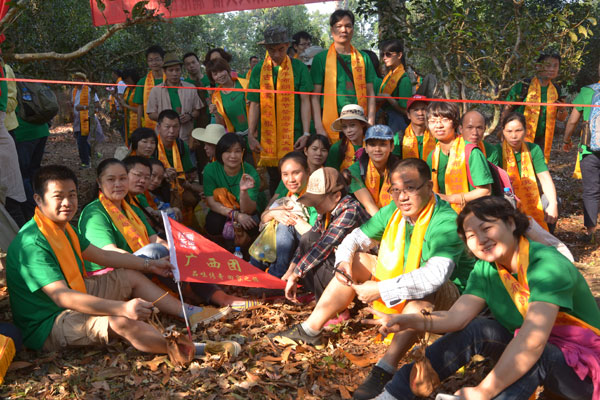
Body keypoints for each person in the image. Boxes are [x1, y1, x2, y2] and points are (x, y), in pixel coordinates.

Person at [366, 196, 599, 400]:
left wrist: (483, 392)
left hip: (585, 371)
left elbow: (533, 342)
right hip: (540, 352)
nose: (480, 240)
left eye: (487, 228)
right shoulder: (487, 269)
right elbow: (456, 318)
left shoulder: (546, 264)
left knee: (536, 354)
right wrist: (410, 321)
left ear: (511, 223)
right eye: (471, 235)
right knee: (478, 328)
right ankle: (392, 394)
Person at [6, 165, 241, 355]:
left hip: (77, 289)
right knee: (121, 321)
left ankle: (190, 313)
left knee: (129, 276)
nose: (67, 203)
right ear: (38, 200)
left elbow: (103, 256)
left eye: (72, 195)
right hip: (49, 321)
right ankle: (193, 350)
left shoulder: (63, 227)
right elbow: (62, 297)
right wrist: (122, 308)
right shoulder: (32, 243)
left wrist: (149, 265)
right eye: (58, 197)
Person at [278, 167, 370, 302]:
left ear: (337, 196)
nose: (314, 205)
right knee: (308, 239)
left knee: (317, 252)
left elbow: (325, 245)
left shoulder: (350, 209)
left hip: (360, 270)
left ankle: (334, 305)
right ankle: (317, 294)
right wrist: (292, 270)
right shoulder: (326, 210)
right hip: (342, 266)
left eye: (318, 200)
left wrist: (296, 274)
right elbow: (309, 238)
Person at [247, 26, 314, 195]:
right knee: (274, 179)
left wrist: (306, 133)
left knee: (296, 177)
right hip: (267, 138)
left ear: (287, 46)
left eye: (281, 49)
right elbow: (254, 103)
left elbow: (305, 101)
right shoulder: (258, 70)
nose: (276, 54)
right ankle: (276, 209)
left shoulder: (298, 68)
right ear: (265, 48)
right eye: (271, 50)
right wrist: (251, 134)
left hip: (294, 135)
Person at [311, 10, 378, 143]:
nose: (344, 30)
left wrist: (370, 122)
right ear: (332, 30)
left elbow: (370, 93)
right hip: (330, 120)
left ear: (353, 29)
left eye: (348, 26)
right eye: (339, 26)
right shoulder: (321, 59)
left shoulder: (363, 58)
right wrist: (319, 127)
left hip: (359, 120)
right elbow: (315, 97)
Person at [250, 152, 317, 278]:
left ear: (308, 171)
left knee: (284, 226)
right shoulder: (288, 192)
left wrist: (290, 217)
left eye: (296, 173)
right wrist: (274, 213)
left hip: (305, 247)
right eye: (285, 174)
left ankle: (277, 274)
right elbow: (264, 217)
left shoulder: (314, 196)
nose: (290, 179)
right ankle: (254, 270)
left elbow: (314, 234)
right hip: (278, 248)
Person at [426, 102, 492, 213]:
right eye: (432, 121)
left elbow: (485, 191)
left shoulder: (471, 152)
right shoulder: (432, 156)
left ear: (455, 123)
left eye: (444, 120)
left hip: (472, 215)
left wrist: (450, 198)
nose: (438, 126)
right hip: (443, 215)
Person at [503, 53, 567, 163]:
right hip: (518, 136)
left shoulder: (556, 90)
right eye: (548, 65)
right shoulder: (524, 85)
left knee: (538, 166)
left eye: (555, 66)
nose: (552, 69)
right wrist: (503, 130)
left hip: (542, 139)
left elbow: (561, 118)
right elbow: (507, 108)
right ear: (538, 66)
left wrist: (562, 109)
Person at [501, 112, 558, 232]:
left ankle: (546, 237)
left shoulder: (533, 149)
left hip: (530, 198)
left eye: (518, 130)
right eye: (509, 131)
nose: (514, 136)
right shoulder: (496, 151)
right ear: (503, 132)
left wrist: (553, 204)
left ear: (526, 131)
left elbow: (545, 178)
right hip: (507, 199)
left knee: (550, 200)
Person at [563, 63, 600, 243]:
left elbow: (572, 121)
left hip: (589, 150)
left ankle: (590, 233)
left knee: (591, 190)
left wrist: (566, 140)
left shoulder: (587, 91)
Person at [203, 133, 264, 240]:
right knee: (213, 223)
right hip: (223, 209)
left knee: (252, 224)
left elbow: (248, 210)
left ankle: (244, 249)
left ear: (243, 153)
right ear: (220, 153)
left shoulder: (250, 172)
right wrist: (236, 215)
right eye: (228, 151)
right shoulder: (210, 170)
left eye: (237, 151)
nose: (233, 156)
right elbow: (212, 203)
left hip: (245, 210)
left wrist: (243, 191)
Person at [146, 53, 203, 143]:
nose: (175, 73)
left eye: (177, 70)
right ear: (164, 71)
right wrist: (166, 119)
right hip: (164, 137)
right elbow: (151, 114)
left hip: (186, 136)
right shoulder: (156, 90)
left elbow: (197, 111)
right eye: (171, 70)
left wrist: (190, 116)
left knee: (186, 151)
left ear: (181, 70)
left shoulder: (190, 88)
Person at [153, 110, 200, 217]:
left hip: (178, 186)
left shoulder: (181, 146)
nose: (171, 131)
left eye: (175, 127)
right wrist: (163, 174)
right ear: (159, 128)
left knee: (192, 199)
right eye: (167, 127)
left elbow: (188, 173)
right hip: (157, 187)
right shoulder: (152, 146)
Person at [347, 125, 399, 216]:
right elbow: (369, 204)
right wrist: (385, 224)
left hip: (394, 216)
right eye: (372, 145)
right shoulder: (355, 170)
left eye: (383, 144)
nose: (377, 149)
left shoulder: (400, 169)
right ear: (366, 148)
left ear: (392, 147)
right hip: (365, 217)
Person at [10, 108, 51, 220]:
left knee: (23, 176)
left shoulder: (10, 95)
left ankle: (34, 213)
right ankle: (43, 209)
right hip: (41, 130)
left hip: (23, 133)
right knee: (34, 173)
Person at [0, 61, 26, 226]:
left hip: (5, 136)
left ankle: (23, 239)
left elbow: (10, 101)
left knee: (10, 201)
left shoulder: (4, 69)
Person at [377, 39, 413, 133]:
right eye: (383, 55)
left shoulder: (404, 79)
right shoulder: (388, 76)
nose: (384, 58)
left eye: (388, 54)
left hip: (397, 123)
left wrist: (388, 98)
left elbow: (405, 110)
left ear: (399, 55)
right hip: (386, 118)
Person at [206, 58, 249, 136]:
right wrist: (215, 113)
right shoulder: (216, 97)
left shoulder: (245, 84)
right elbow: (221, 125)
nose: (220, 75)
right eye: (215, 74)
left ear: (227, 70)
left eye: (221, 71)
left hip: (258, 131)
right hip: (238, 138)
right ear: (213, 79)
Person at [71, 72, 102, 169]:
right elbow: (75, 104)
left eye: (78, 79)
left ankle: (85, 162)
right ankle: (94, 154)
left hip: (87, 118)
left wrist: (84, 107)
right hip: (77, 119)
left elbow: (97, 105)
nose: (76, 81)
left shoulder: (89, 90)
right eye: (75, 79)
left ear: (83, 80)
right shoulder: (74, 91)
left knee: (81, 141)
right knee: (81, 140)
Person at [325, 104, 369, 171]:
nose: (348, 130)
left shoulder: (373, 146)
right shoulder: (336, 148)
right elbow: (330, 174)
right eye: (344, 127)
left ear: (362, 124)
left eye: (352, 125)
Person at [392, 94, 435, 161]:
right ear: (408, 115)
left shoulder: (435, 135)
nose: (420, 113)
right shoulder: (400, 136)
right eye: (416, 110)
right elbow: (395, 162)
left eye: (423, 109)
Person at [133, 45, 165, 130]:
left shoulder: (170, 80)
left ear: (163, 60)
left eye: (157, 59)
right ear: (147, 62)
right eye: (150, 60)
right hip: (149, 125)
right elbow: (140, 107)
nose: (154, 63)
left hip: (169, 123)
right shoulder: (142, 82)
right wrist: (139, 128)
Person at [182, 52, 210, 129]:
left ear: (199, 63)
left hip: (211, 120)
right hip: (192, 123)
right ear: (185, 67)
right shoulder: (184, 84)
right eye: (188, 64)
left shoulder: (210, 79)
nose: (191, 66)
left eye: (193, 62)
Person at [118, 69, 140, 145]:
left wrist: (125, 105)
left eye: (128, 81)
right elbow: (124, 102)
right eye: (125, 82)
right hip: (127, 121)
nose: (127, 83)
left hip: (138, 121)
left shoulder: (139, 89)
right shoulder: (127, 89)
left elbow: (140, 109)